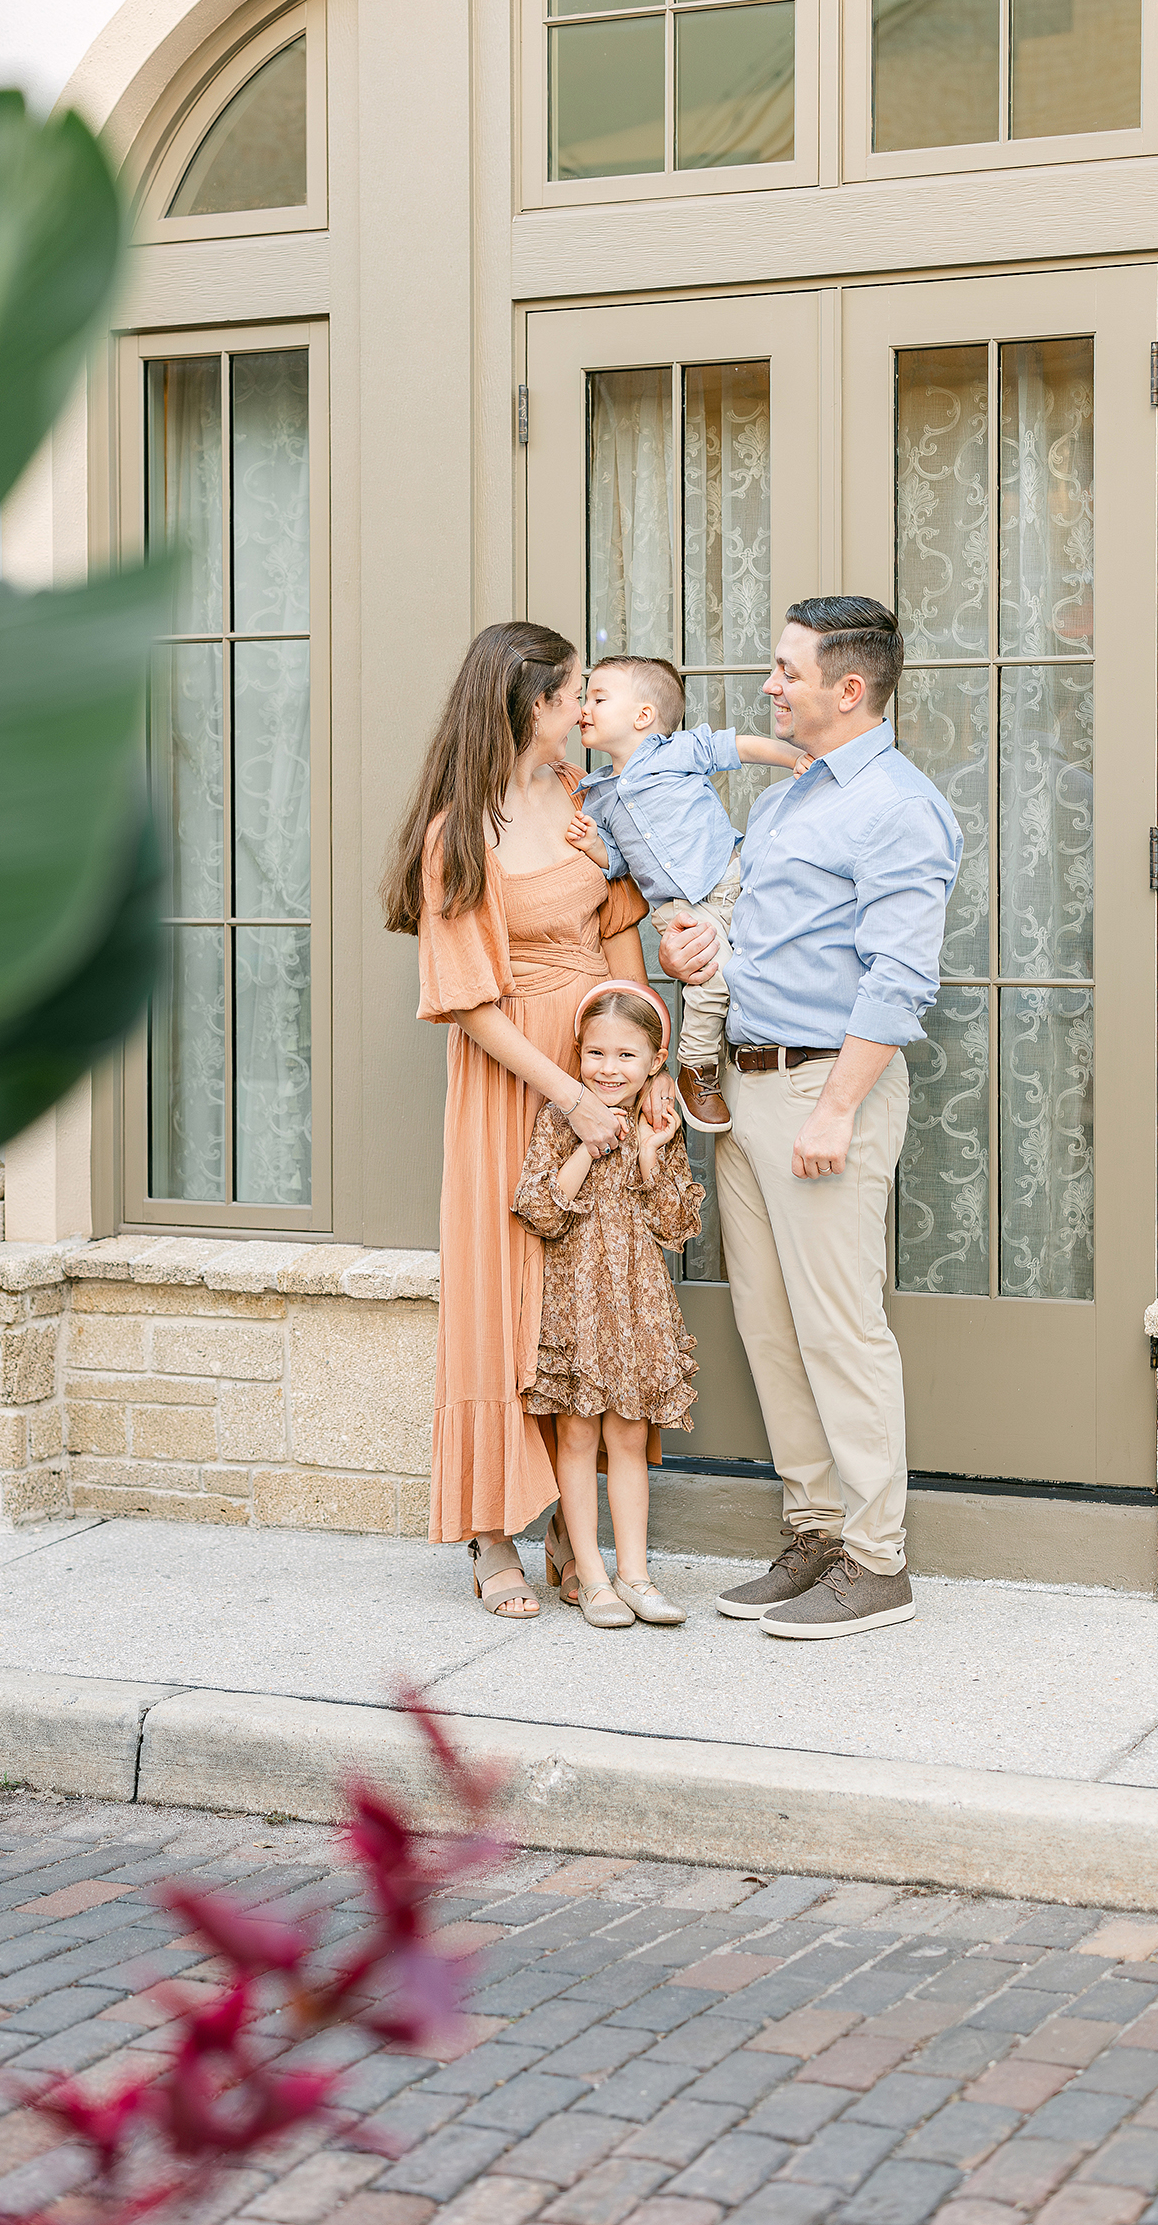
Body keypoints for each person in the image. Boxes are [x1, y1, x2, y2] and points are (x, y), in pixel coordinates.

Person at [658, 596, 962, 1641]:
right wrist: (700, 952)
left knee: (838, 1332)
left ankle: (877, 1563)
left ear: (848, 686)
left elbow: (897, 976)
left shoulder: (896, 806)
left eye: (784, 670)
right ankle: (817, 1531)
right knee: (770, 1330)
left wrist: (833, 1109)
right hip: (747, 1090)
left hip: (823, 1090)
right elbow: (754, 925)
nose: (766, 685)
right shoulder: (790, 795)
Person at [381, 622, 668, 1619]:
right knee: (507, 1296)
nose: (584, 709)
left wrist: (651, 1070)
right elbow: (466, 1000)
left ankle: (572, 1522)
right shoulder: (456, 832)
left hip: (606, 1060)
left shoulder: (587, 800)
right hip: (519, 1082)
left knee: (588, 1292)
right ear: (527, 706)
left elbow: (619, 930)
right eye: (571, 694)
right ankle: (490, 1529)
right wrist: (572, 1096)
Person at [512, 982, 703, 1629]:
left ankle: (635, 1574)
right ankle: (588, 1575)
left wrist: (649, 1154)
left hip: (635, 1304)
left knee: (627, 1434)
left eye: (626, 1056)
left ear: (655, 1062)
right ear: (578, 1054)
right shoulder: (558, 1118)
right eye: (595, 1053)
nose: (607, 1068)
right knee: (576, 1434)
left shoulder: (657, 1126)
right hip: (573, 1303)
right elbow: (537, 1211)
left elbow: (676, 1223)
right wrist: (586, 1148)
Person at [566, 653, 808, 1134]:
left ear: (642, 716)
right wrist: (596, 845)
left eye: (597, 697)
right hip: (677, 908)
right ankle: (697, 1067)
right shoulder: (596, 794)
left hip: (732, 877)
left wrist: (795, 758)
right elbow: (619, 862)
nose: (582, 709)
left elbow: (736, 748)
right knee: (710, 978)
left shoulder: (674, 752)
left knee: (766, 959)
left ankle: (787, 1058)